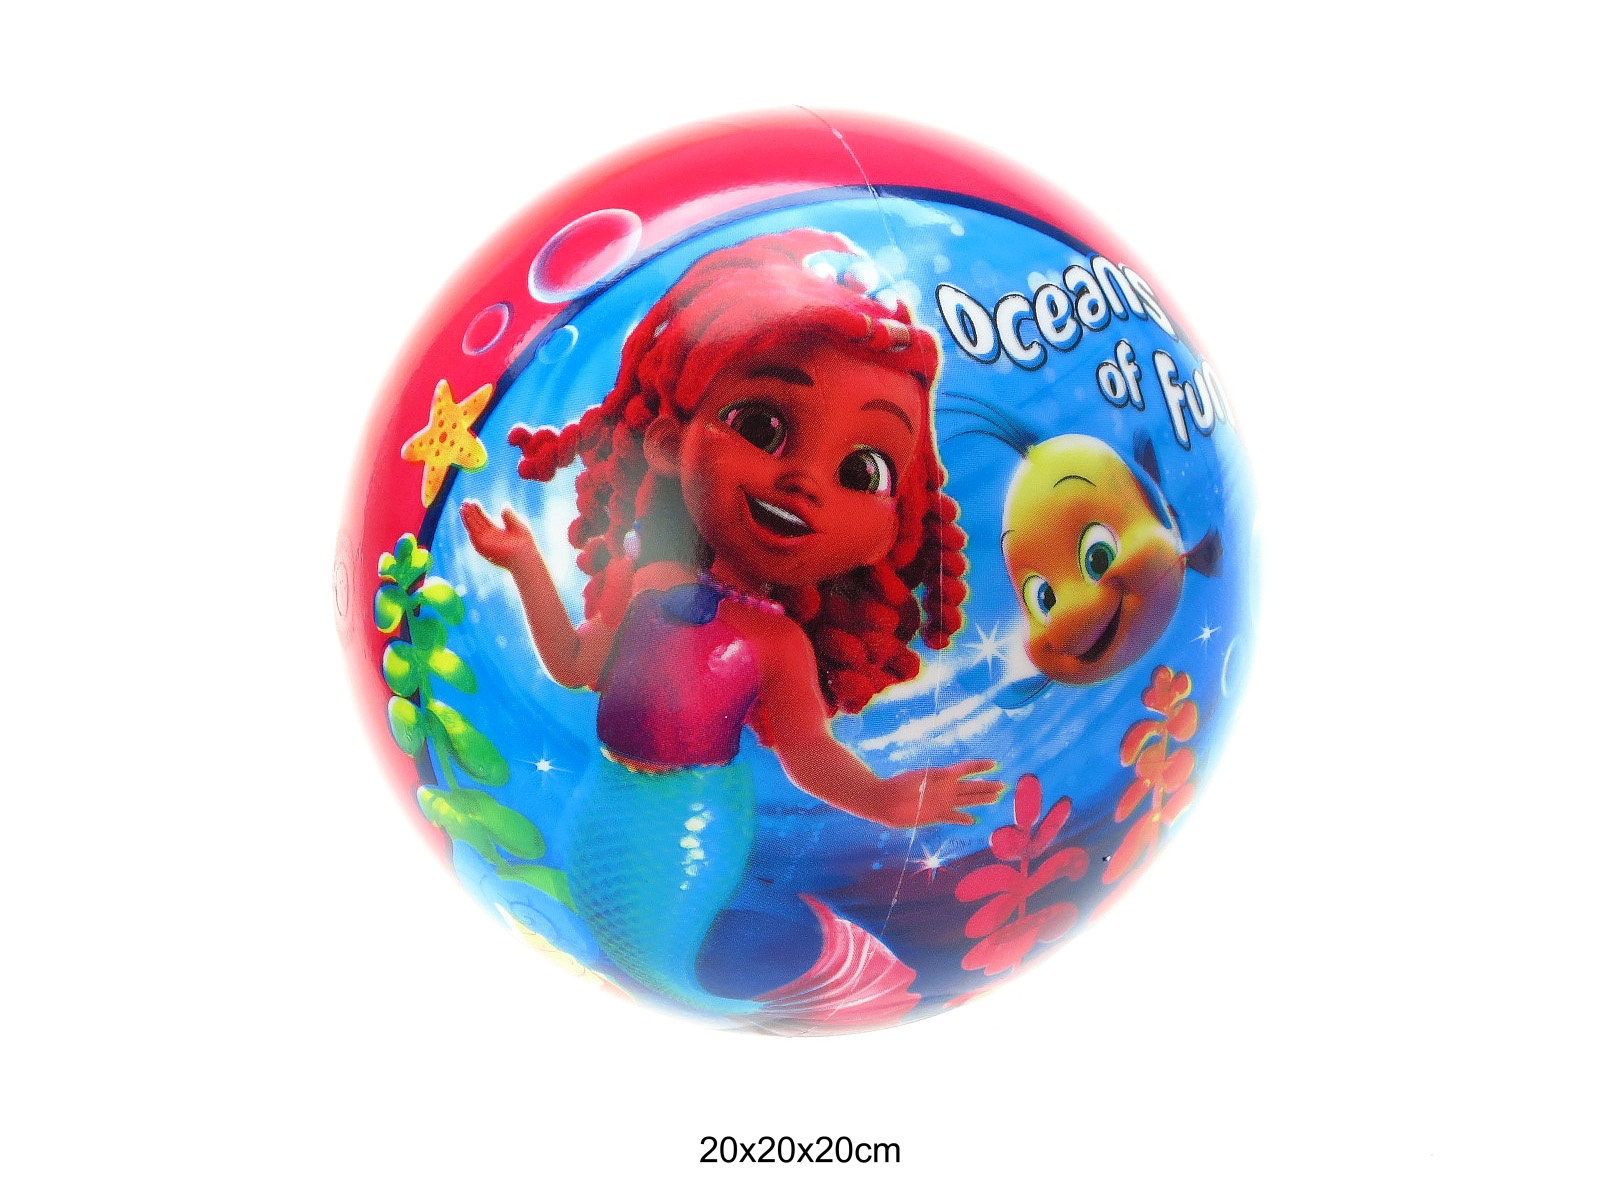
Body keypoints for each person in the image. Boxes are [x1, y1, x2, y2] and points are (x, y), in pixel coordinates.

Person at [460, 229, 999, 1026]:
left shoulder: (777, 643)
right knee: (625, 940)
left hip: (695, 822)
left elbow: (809, 753)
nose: (803, 481)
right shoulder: (647, 582)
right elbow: (574, 665)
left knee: (677, 953)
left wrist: (886, 801)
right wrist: (525, 566)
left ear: (886, 534)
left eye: (861, 471)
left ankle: (810, 983)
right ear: (670, 444)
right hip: (604, 801)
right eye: (762, 426)